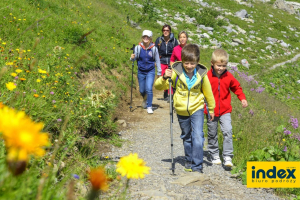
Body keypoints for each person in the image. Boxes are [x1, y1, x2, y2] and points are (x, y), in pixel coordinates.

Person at [154, 44, 215, 173]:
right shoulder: (176, 73)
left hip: (197, 107)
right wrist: (164, 77)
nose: (189, 66)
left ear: (197, 62)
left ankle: (197, 165)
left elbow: (208, 92)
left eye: (192, 63)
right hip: (181, 109)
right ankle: (189, 159)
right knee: (186, 136)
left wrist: (211, 109)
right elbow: (158, 87)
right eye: (186, 63)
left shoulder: (202, 74)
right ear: (182, 61)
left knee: (198, 135)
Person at [205, 49, 248, 167]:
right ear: (212, 63)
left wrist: (242, 98)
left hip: (225, 110)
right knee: (212, 132)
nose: (221, 68)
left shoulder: (228, 76)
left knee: (228, 131)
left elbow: (237, 87)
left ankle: (228, 156)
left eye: (224, 66)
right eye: (218, 65)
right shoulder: (207, 76)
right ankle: (214, 154)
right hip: (211, 110)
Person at [130, 30, 161, 114]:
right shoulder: (138, 47)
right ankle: (145, 98)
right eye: (144, 37)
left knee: (149, 89)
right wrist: (132, 58)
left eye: (148, 37)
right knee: (142, 90)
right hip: (141, 71)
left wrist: (159, 72)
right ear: (142, 38)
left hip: (150, 71)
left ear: (150, 38)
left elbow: (157, 60)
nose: (146, 38)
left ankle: (149, 106)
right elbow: (134, 59)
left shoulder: (154, 48)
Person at [155, 24, 178, 100]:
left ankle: (170, 94)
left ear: (170, 31)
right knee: (163, 77)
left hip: (171, 61)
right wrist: (156, 61)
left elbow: (177, 51)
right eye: (164, 30)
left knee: (170, 77)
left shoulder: (174, 41)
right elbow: (156, 51)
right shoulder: (159, 40)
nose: (165, 32)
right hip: (162, 60)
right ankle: (165, 91)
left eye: (167, 30)